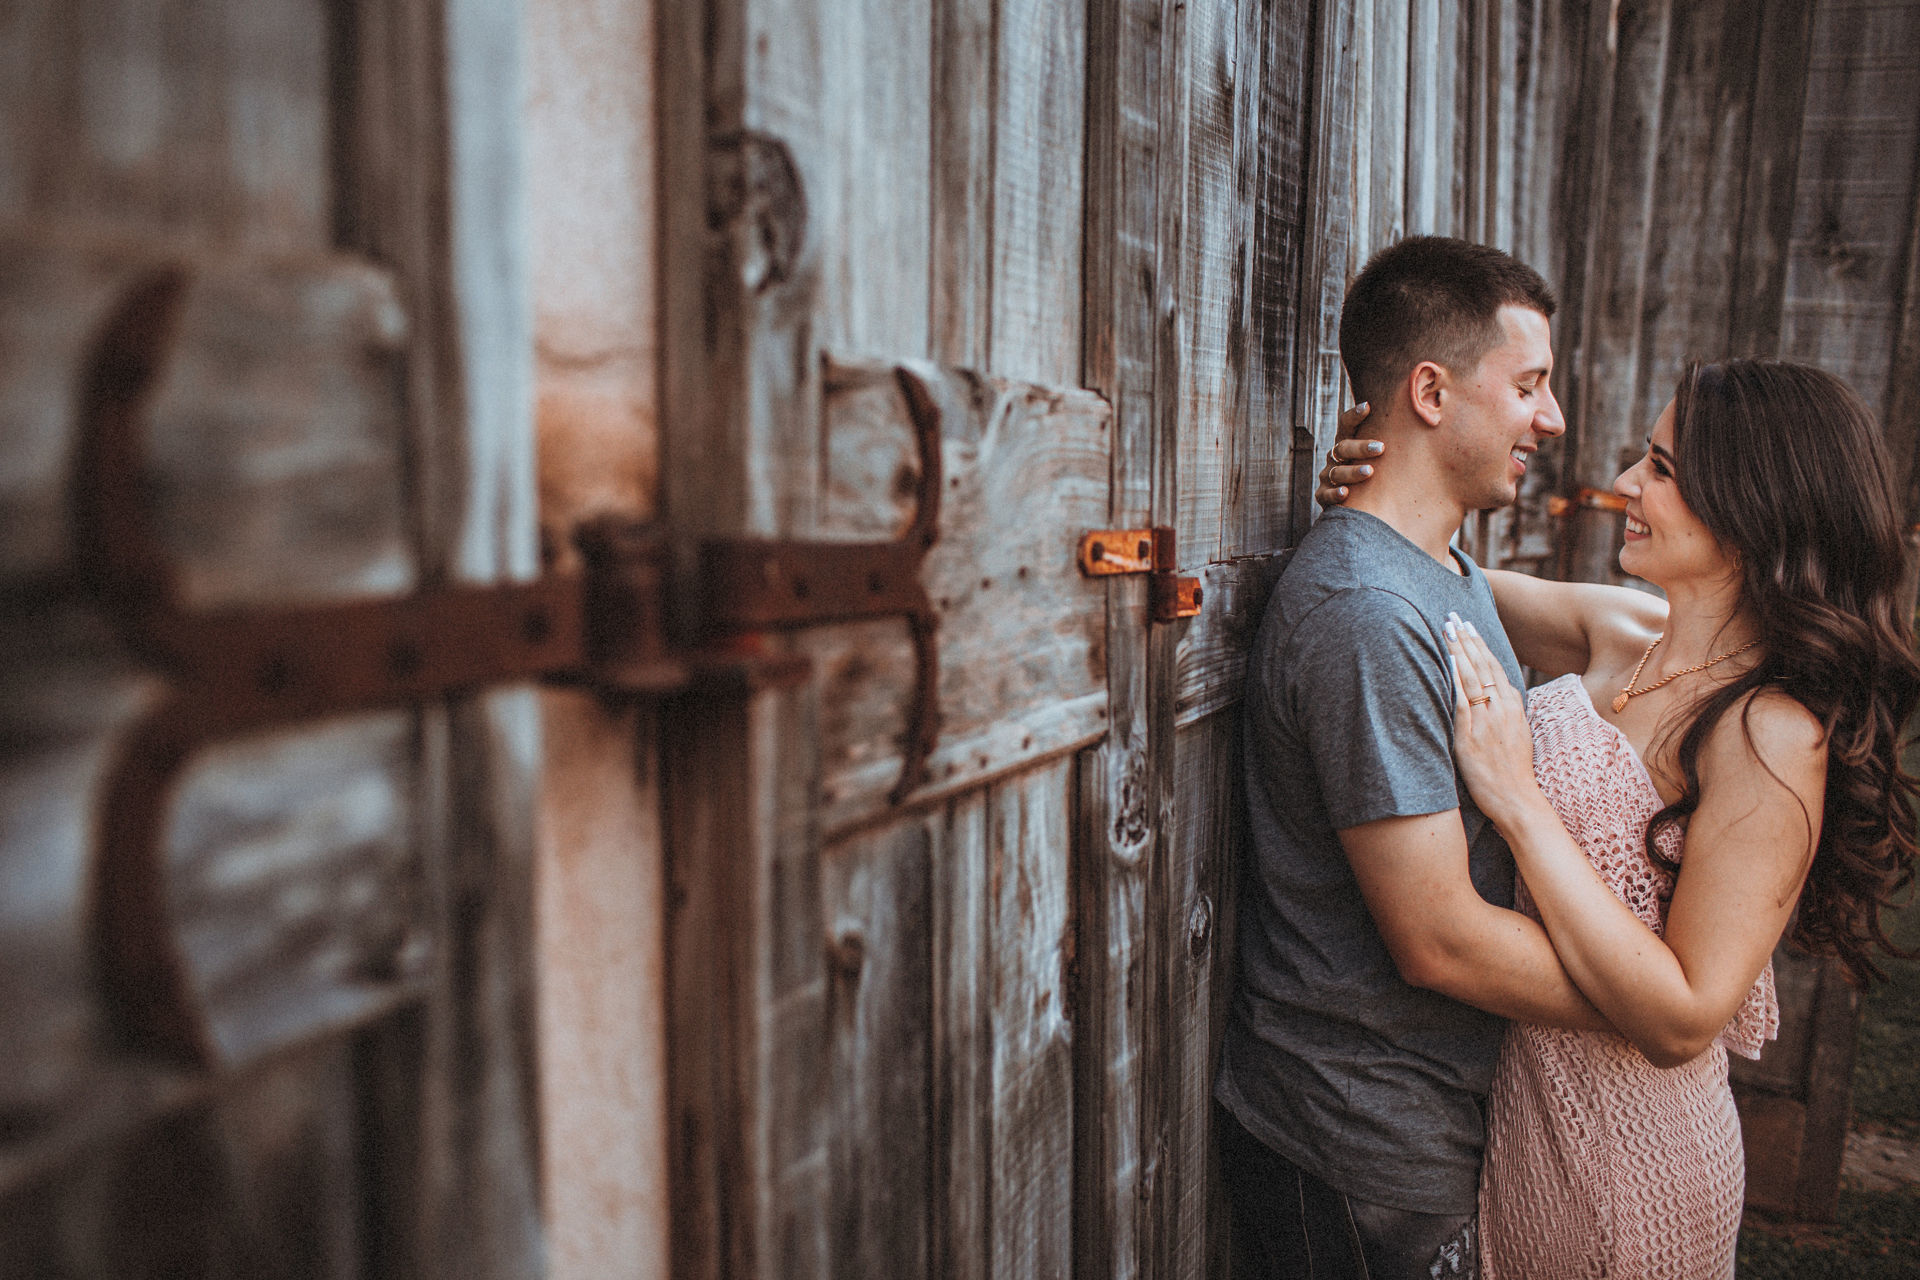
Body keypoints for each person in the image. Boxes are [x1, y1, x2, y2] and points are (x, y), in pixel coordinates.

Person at [1322, 357, 1920, 1276]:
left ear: (1757, 507)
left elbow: (1686, 1014)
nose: (1628, 485)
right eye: (1648, 458)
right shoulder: (1621, 629)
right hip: (1521, 1136)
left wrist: (1519, 803)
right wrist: (1373, 489)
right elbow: (1428, 572)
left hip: (1637, 1167)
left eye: (1665, 471)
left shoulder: (1770, 733)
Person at [1215, 235, 1617, 1279]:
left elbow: (1653, 630)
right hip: (1362, 1150)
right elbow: (1438, 939)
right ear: (1431, 391)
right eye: (1530, 383)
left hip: (1424, 1124)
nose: (1554, 417)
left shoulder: (1440, 569)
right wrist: (1657, 1005)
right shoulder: (1367, 612)